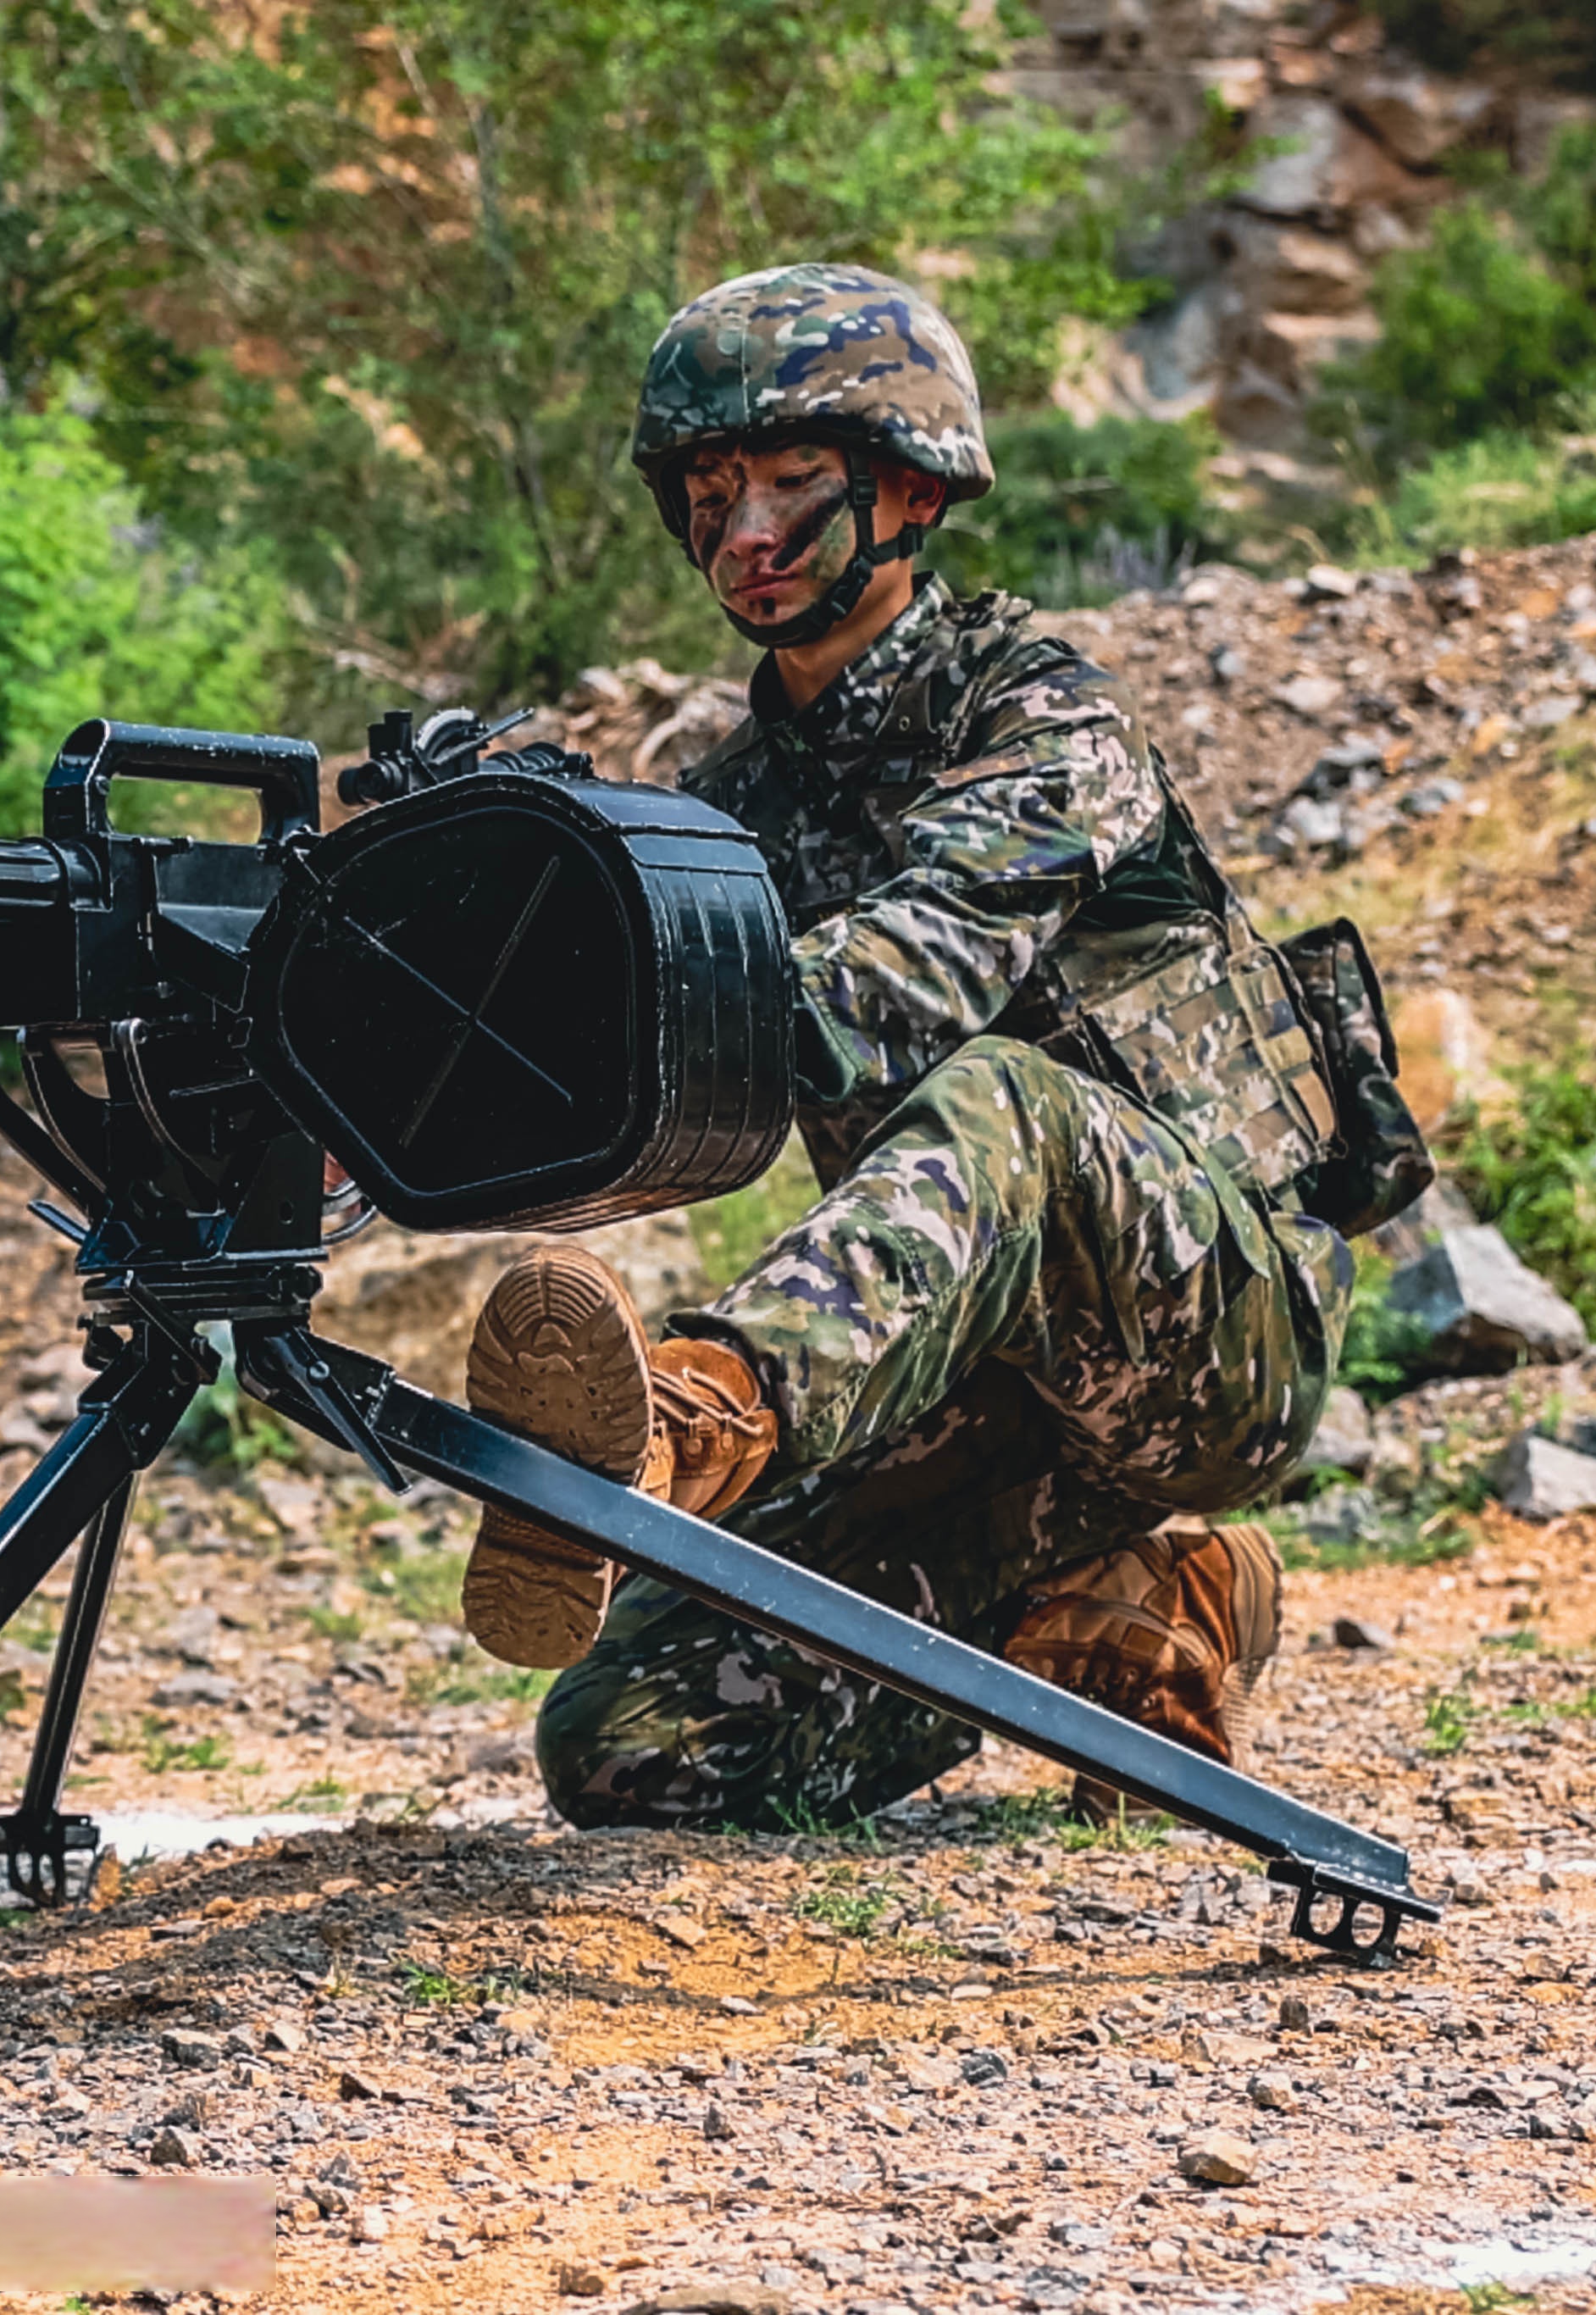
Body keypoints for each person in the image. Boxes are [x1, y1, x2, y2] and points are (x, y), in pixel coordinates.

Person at [460, 264, 1397, 1832]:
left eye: (788, 484)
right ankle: (1127, 1592)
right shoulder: (728, 809)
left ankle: (692, 1426)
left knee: (1003, 1100)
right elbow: (617, 1097)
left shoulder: (1046, 718)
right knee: (626, 1743)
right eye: (709, 489)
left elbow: (915, 967)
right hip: (968, 1398)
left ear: (904, 492)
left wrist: (647, 1011)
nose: (742, 534)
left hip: (1214, 1330)